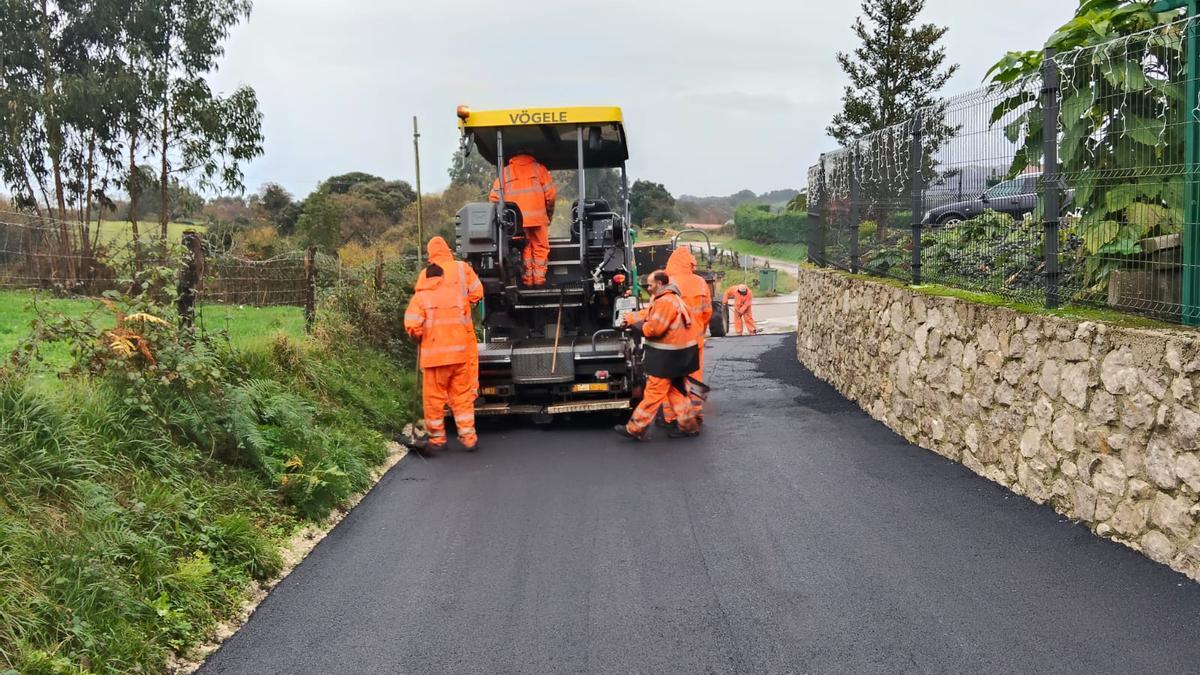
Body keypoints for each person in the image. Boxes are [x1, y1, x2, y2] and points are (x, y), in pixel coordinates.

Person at [615, 270, 701, 441]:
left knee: (653, 394)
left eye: (650, 285)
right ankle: (689, 426)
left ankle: (635, 428)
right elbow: (649, 314)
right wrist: (631, 318)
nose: (647, 288)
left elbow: (654, 329)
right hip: (680, 356)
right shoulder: (670, 299)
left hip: (666, 358)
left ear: (660, 284)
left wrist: (637, 327)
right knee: (677, 391)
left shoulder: (665, 302)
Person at [405, 263, 478, 455]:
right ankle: (469, 438)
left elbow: (412, 326)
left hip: (435, 359)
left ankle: (437, 439)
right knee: (462, 398)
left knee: (434, 401)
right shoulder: (457, 296)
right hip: (460, 357)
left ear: (425, 277)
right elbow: (466, 323)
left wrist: (418, 336)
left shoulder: (421, 298)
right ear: (443, 277)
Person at [417, 236, 483, 384]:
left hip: (435, 341)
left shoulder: (425, 275)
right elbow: (477, 292)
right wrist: (465, 304)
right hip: (462, 334)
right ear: (448, 250)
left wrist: (416, 332)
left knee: (437, 386)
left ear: (430, 255)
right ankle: (470, 394)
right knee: (465, 380)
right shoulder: (462, 268)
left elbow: (417, 308)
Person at [660, 247, 712, 429]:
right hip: (695, 340)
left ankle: (673, 416)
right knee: (694, 378)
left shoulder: (666, 283)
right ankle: (696, 412)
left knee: (671, 380)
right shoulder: (700, 282)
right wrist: (699, 330)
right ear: (690, 263)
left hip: (672, 342)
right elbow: (707, 312)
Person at [489, 154, 557, 287]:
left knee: (524, 247)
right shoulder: (540, 169)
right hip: (538, 218)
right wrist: (548, 213)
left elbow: (494, 198)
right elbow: (551, 195)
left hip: (516, 222)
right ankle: (539, 279)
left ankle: (527, 280)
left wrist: (505, 216)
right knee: (540, 247)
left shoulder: (504, 173)